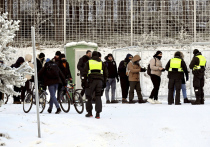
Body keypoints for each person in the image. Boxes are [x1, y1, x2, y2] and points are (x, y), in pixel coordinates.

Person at [82, 51, 108, 119]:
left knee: (88, 97)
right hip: (99, 82)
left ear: (92, 56)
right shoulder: (102, 63)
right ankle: (98, 114)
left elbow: (84, 73)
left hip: (91, 81)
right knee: (98, 96)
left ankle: (89, 112)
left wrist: (83, 82)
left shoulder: (89, 62)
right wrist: (104, 83)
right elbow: (106, 74)